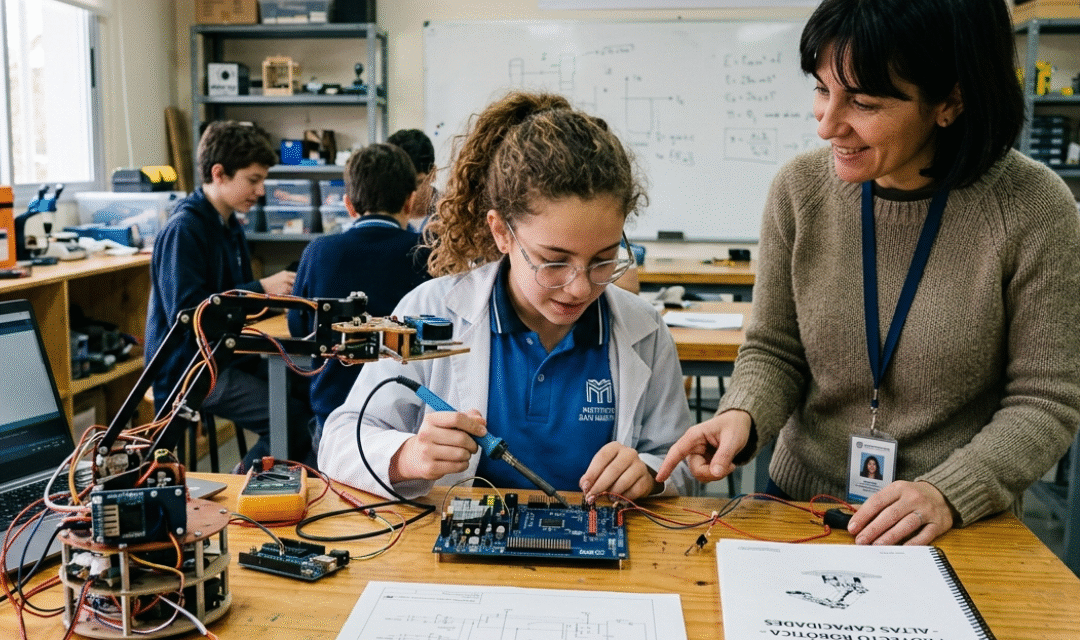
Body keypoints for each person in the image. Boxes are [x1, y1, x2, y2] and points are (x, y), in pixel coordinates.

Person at [656, 0, 1080, 545]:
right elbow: (774, 349)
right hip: (803, 509)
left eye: (863, 102)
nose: (828, 125)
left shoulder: (1032, 207)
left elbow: (1045, 400)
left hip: (952, 529)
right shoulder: (800, 190)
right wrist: (742, 414)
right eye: (821, 89)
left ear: (950, 100)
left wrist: (949, 491)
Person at [319, 91, 695, 501]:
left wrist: (648, 471)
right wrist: (406, 456)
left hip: (601, 551)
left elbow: (682, 462)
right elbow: (340, 441)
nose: (581, 287)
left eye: (604, 260)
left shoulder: (644, 330)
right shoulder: (430, 310)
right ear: (501, 232)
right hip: (464, 553)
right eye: (554, 261)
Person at [146, 120, 313, 470]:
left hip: (227, 354)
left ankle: (289, 484)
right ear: (219, 173)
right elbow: (190, 316)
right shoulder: (184, 230)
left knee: (312, 390)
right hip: (191, 369)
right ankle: (243, 492)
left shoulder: (229, 224)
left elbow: (236, 303)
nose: (262, 190)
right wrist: (261, 289)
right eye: (253, 180)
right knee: (289, 418)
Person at [288, 143, 431, 453]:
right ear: (410, 202)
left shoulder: (319, 251)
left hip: (334, 415)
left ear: (348, 205)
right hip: (407, 422)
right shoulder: (426, 252)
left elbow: (298, 328)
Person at [387, 128, 437, 235]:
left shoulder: (452, 215)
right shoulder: (382, 218)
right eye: (399, 184)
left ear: (433, 174)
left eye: (417, 183)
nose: (408, 195)